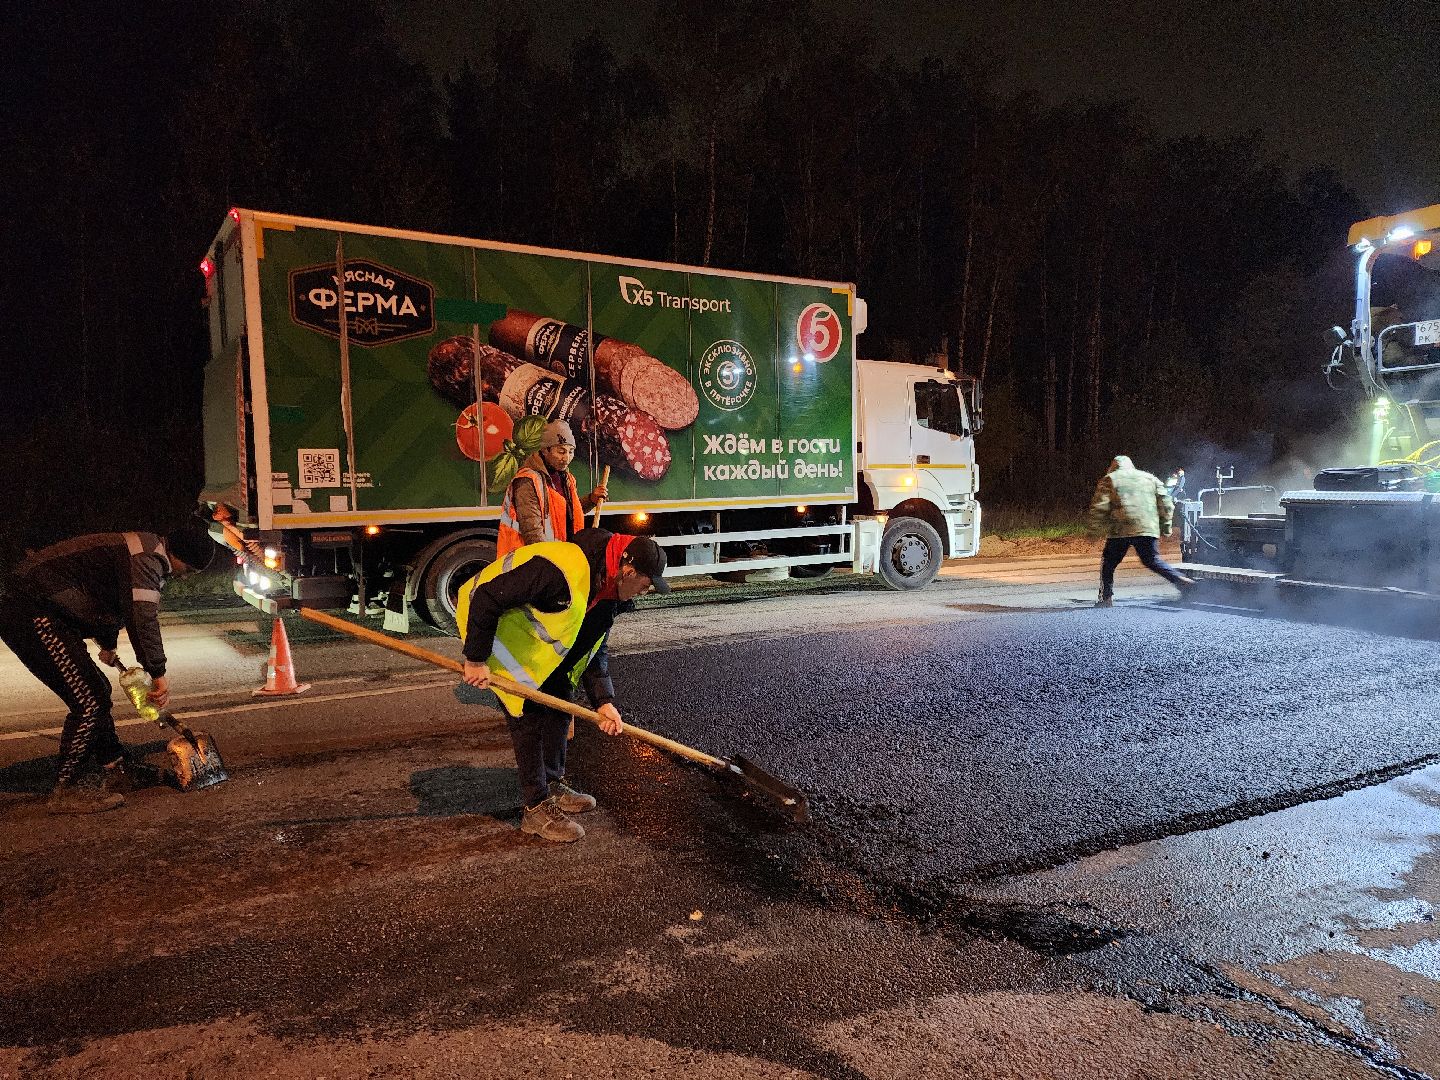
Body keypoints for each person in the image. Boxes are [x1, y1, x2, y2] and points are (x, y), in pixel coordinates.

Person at [456, 527, 670, 842]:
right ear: (629, 571)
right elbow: (488, 595)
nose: (645, 591)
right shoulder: (562, 571)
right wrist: (475, 659)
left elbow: (594, 648)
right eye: (647, 584)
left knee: (559, 703)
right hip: (496, 637)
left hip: (539, 653)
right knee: (528, 718)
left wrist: (603, 702)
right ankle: (536, 808)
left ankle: (553, 783)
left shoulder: (609, 593)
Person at [0, 517, 218, 813]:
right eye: (190, 570)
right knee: (89, 700)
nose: (186, 577)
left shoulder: (143, 550)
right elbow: (142, 617)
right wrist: (158, 672)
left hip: (48, 612)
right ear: (179, 557)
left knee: (98, 689)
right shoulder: (147, 559)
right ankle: (68, 788)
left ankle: (115, 768)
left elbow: (105, 597)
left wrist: (109, 645)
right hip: (31, 611)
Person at [1087, 455, 1195, 607]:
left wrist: (1093, 530)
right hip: (1147, 527)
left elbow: (1100, 506)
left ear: (1113, 466)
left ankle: (1106, 598)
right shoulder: (1149, 478)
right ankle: (1180, 580)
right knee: (1152, 560)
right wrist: (1166, 527)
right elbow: (1166, 503)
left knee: (1108, 562)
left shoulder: (1110, 478)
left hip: (1121, 528)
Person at [496, 420, 608, 559]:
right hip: (531, 563)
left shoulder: (567, 478)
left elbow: (567, 513)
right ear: (545, 450)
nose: (566, 458)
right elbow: (532, 532)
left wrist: (591, 499)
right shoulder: (527, 481)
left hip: (559, 556)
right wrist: (552, 564)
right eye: (561, 451)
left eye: (571, 451)